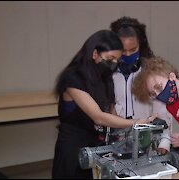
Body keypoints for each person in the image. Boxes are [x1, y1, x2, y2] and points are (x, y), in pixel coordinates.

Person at [52, 30, 155, 179]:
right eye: (110, 58)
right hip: (73, 146)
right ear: (95, 54)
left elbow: (110, 113)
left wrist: (127, 132)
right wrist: (136, 123)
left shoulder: (105, 77)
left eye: (116, 60)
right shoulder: (73, 77)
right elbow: (99, 117)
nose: (114, 64)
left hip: (96, 145)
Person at [110, 16, 172, 155]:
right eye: (123, 51)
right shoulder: (108, 74)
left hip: (148, 139)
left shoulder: (151, 74)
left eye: (133, 50)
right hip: (118, 139)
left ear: (141, 45)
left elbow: (163, 110)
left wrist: (165, 141)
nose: (127, 55)